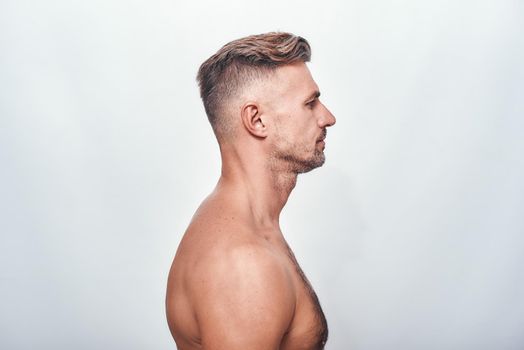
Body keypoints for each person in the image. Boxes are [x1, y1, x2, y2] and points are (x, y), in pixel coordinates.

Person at [166, 32, 336, 350]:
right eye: (310, 103)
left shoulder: (242, 224)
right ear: (256, 120)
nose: (328, 117)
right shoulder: (244, 266)